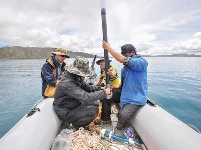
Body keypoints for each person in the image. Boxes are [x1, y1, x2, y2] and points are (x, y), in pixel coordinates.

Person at [53, 56, 111, 130]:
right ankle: (76, 126)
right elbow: (86, 97)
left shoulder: (74, 77)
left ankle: (80, 119)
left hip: (73, 104)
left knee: (95, 103)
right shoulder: (67, 83)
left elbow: (86, 87)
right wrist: (104, 93)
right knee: (93, 111)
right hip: (66, 111)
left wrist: (100, 88)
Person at [101, 40, 148, 130]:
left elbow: (120, 59)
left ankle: (121, 126)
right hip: (124, 93)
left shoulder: (141, 62)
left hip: (136, 97)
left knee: (122, 115)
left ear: (133, 53)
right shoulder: (125, 68)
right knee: (105, 96)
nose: (124, 58)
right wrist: (117, 86)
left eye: (125, 55)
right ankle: (106, 120)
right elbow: (124, 80)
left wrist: (108, 48)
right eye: (124, 56)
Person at [93, 57, 121, 124]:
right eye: (100, 63)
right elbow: (98, 82)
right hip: (108, 88)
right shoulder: (103, 72)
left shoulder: (111, 69)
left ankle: (106, 119)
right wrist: (90, 87)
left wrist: (111, 73)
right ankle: (100, 109)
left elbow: (113, 73)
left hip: (117, 89)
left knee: (105, 97)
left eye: (103, 62)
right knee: (100, 89)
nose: (101, 64)